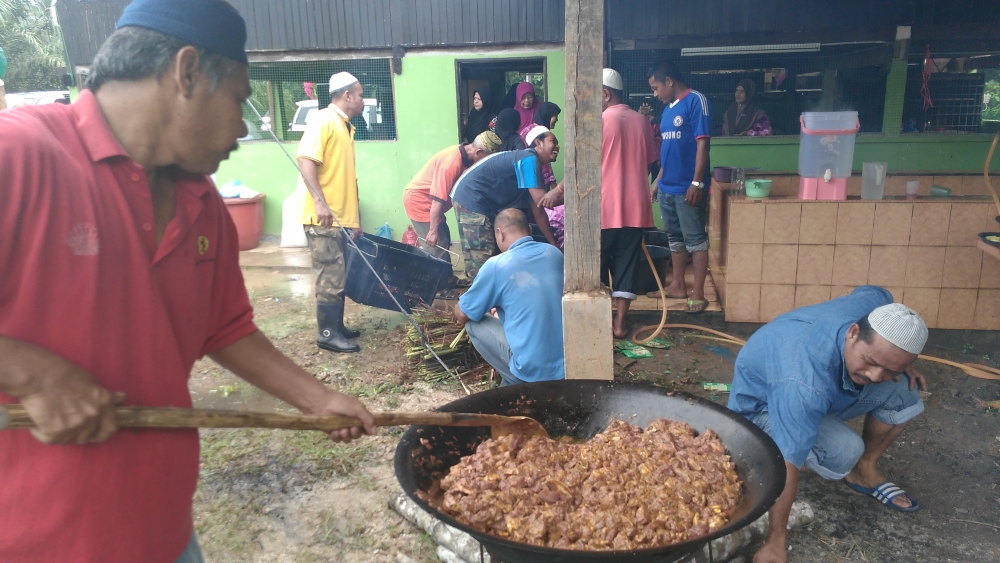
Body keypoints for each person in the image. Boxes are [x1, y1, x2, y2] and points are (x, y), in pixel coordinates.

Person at [0, 2, 375, 562]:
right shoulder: (20, 155)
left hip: (165, 533)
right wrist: (30, 371)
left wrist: (318, 399)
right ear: (188, 72)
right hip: (35, 542)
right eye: (239, 99)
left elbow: (224, 328)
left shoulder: (203, 207)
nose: (243, 125)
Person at [728, 287, 929, 563]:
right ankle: (757, 462)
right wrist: (775, 541)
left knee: (905, 391)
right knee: (844, 451)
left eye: (888, 368)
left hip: (820, 394)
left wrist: (895, 362)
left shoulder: (875, 310)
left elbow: (876, 291)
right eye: (871, 362)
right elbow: (789, 459)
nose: (874, 375)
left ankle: (864, 470)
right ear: (853, 333)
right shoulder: (802, 379)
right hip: (760, 410)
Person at [454, 209, 565, 386]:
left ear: (499, 233)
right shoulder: (554, 254)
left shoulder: (497, 265)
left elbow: (462, 313)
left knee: (473, 323)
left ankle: (514, 382)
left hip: (533, 371)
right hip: (565, 367)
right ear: (529, 229)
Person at [297, 71, 367, 353]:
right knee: (329, 275)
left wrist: (355, 220)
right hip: (324, 217)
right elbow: (305, 160)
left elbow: (348, 180)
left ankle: (337, 327)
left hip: (341, 218)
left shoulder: (345, 126)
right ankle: (327, 334)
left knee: (338, 275)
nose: (363, 100)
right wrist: (319, 203)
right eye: (360, 94)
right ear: (347, 95)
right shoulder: (324, 119)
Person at [449, 127, 561, 280]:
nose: (557, 146)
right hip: (472, 198)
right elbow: (544, 200)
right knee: (482, 255)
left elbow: (539, 211)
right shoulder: (528, 159)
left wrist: (553, 244)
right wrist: (566, 192)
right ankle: (482, 298)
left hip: (470, 197)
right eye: (553, 141)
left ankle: (484, 294)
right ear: (538, 143)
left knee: (486, 254)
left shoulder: (527, 164)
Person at [647, 60, 712, 314]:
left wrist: (697, 182)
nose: (655, 94)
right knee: (674, 237)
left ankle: (697, 292)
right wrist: (658, 181)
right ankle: (676, 286)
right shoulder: (667, 110)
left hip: (688, 188)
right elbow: (668, 150)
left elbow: (703, 145)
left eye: (655, 88)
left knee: (695, 239)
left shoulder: (697, 101)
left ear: (669, 82)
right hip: (667, 187)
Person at [599, 69, 658, 338]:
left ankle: (598, 323)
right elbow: (648, 161)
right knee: (626, 264)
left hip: (604, 208)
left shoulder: (599, 121)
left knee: (597, 268)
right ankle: (620, 324)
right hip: (636, 207)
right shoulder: (642, 122)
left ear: (605, 93)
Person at [402, 131, 501, 264]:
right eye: (486, 158)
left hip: (430, 202)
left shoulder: (467, 158)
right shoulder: (450, 164)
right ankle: (439, 283)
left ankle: (448, 278)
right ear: (478, 152)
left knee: (444, 236)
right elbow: (437, 201)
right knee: (436, 244)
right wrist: (432, 231)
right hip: (419, 201)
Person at [520, 101, 562, 189]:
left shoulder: (528, 129)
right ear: (547, 115)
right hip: (536, 179)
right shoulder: (540, 133)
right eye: (555, 116)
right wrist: (555, 187)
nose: (557, 120)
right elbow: (545, 161)